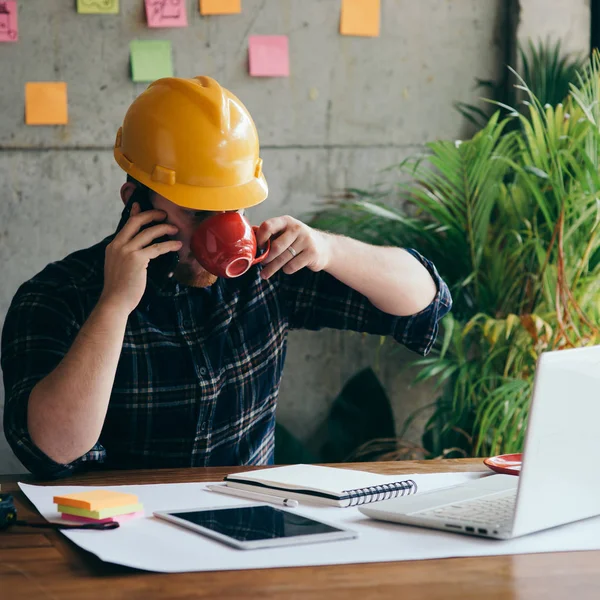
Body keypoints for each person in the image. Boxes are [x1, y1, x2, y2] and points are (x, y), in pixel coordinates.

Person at [2, 76, 452, 479]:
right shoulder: (56, 296)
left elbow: (424, 300)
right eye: (198, 211)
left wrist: (330, 249)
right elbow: (53, 449)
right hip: (111, 535)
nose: (220, 227)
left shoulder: (267, 269)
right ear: (133, 199)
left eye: (233, 207)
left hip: (246, 532)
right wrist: (115, 306)